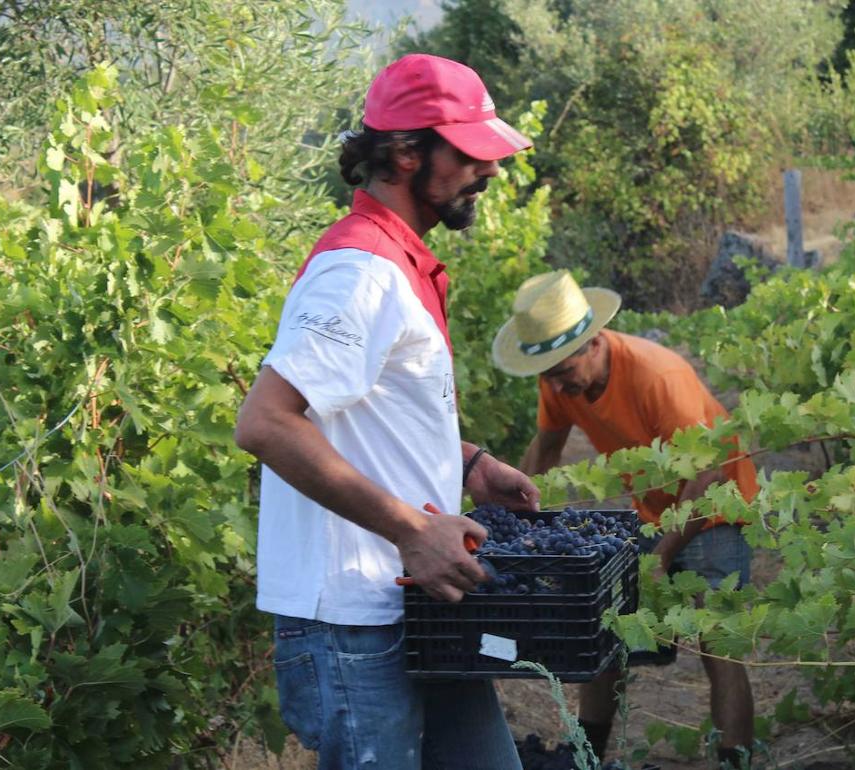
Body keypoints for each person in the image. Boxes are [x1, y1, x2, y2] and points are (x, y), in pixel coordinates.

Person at [233, 54, 540, 770]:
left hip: (414, 601)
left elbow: (370, 416)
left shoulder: (396, 263)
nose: (489, 170)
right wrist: (413, 531)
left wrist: (469, 465)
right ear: (406, 153)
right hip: (353, 624)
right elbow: (267, 422)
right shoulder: (359, 271)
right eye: (471, 153)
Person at [492, 270, 758, 769]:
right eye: (547, 374)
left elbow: (708, 475)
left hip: (715, 507)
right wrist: (517, 522)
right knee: (604, 633)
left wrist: (662, 556)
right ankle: (586, 758)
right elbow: (546, 447)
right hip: (654, 512)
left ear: (593, 343)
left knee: (719, 645)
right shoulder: (561, 380)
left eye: (562, 369)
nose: (556, 383)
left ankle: (736, 762)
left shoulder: (658, 376)